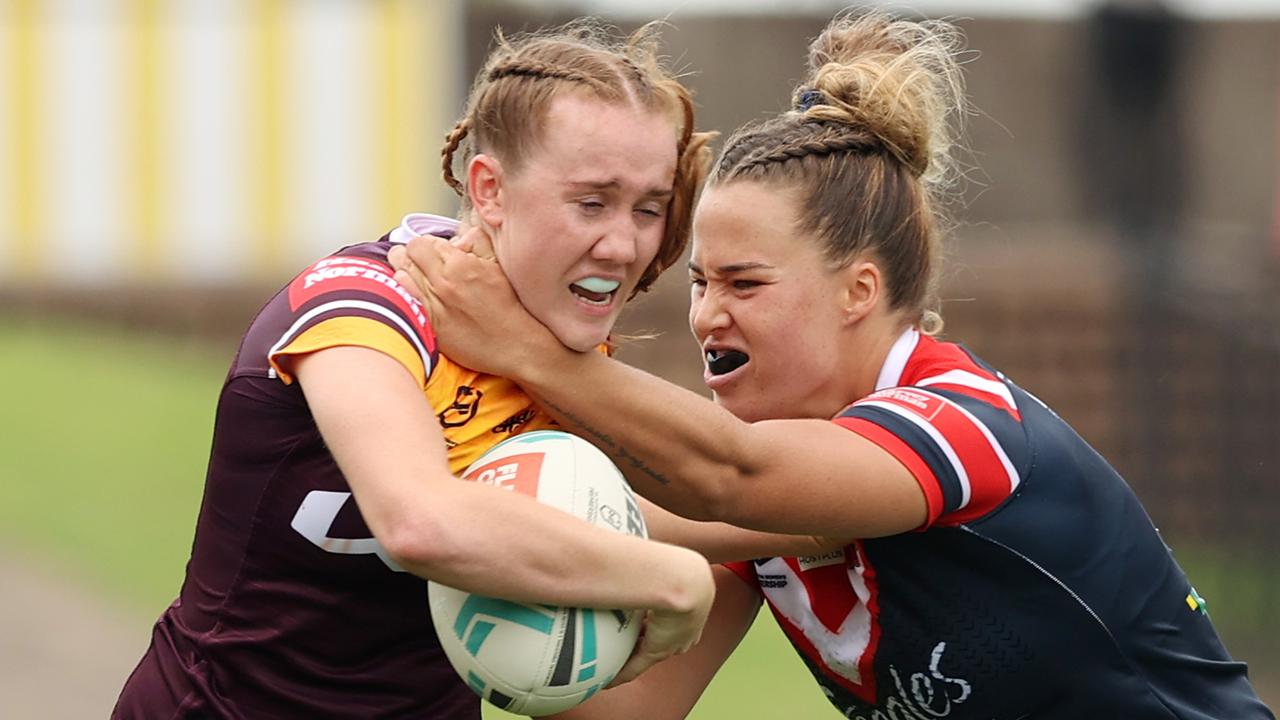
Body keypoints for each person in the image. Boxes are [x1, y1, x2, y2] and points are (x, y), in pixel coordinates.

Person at [391, 11, 1276, 719]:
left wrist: (517, 349)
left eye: (744, 282)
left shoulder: (967, 425)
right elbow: (629, 703)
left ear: (858, 291)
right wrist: (423, 545)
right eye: (699, 281)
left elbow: (726, 475)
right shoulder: (774, 504)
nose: (706, 313)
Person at [111, 20, 823, 719]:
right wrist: (673, 584)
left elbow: (608, 516)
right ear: (489, 190)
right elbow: (419, 520)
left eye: (649, 208)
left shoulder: (550, 342)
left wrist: (850, 520)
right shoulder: (361, 309)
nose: (623, 244)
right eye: (591, 202)